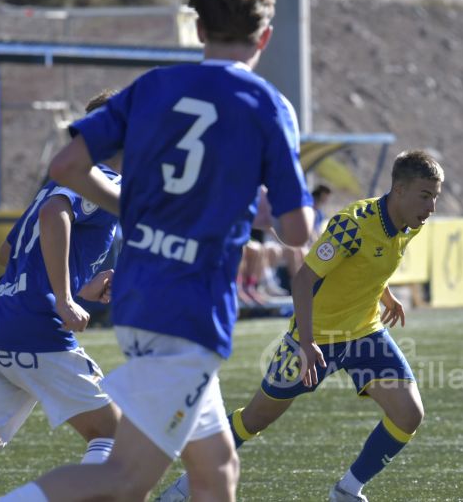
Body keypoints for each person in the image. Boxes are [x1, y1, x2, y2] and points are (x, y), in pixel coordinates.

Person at [0, 0, 313, 500]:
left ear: (197, 28)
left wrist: (138, 206)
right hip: (188, 311)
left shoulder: (153, 86)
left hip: (141, 298)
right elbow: (297, 228)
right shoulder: (269, 106)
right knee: (124, 478)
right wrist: (247, 204)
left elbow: (68, 164)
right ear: (264, 37)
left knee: (217, 473)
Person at [157, 150, 443, 502]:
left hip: (364, 333)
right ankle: (186, 487)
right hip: (314, 338)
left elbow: (365, 265)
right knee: (256, 418)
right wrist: (307, 344)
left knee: (409, 414)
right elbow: (304, 280)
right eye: (425, 196)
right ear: (399, 190)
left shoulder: (409, 223)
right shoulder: (352, 224)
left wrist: (385, 297)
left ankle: (347, 490)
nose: (431, 207)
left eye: (435, 198)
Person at [0, 92, 122, 501]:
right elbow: (55, 216)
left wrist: (80, 287)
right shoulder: (101, 179)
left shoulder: (58, 180)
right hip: (35, 327)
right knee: (115, 433)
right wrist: (66, 298)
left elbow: (8, 254)